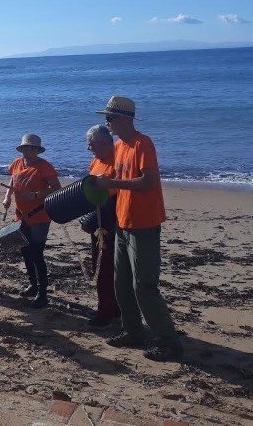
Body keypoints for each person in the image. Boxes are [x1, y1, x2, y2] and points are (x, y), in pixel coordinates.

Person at [94, 96, 182, 361]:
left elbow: (149, 182)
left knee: (144, 285)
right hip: (123, 221)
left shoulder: (143, 143)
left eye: (109, 118)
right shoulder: (119, 146)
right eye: (106, 118)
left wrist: (114, 184)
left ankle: (168, 342)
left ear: (124, 119)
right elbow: (116, 182)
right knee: (121, 283)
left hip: (144, 223)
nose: (106, 123)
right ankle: (132, 331)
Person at [2, 134, 61, 308]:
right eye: (25, 148)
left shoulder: (45, 167)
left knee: (37, 253)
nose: (28, 151)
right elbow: (12, 179)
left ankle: (42, 294)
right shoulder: (17, 163)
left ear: (37, 150)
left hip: (40, 215)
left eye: (31, 148)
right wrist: (7, 197)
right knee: (25, 251)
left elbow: (57, 188)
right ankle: (33, 285)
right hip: (21, 214)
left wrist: (35, 195)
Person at [80, 124, 121, 328]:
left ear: (105, 142)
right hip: (97, 218)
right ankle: (112, 308)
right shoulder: (96, 160)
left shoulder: (118, 160)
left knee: (106, 269)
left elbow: (121, 191)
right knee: (98, 265)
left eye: (92, 144)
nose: (89, 149)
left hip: (112, 220)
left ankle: (106, 312)